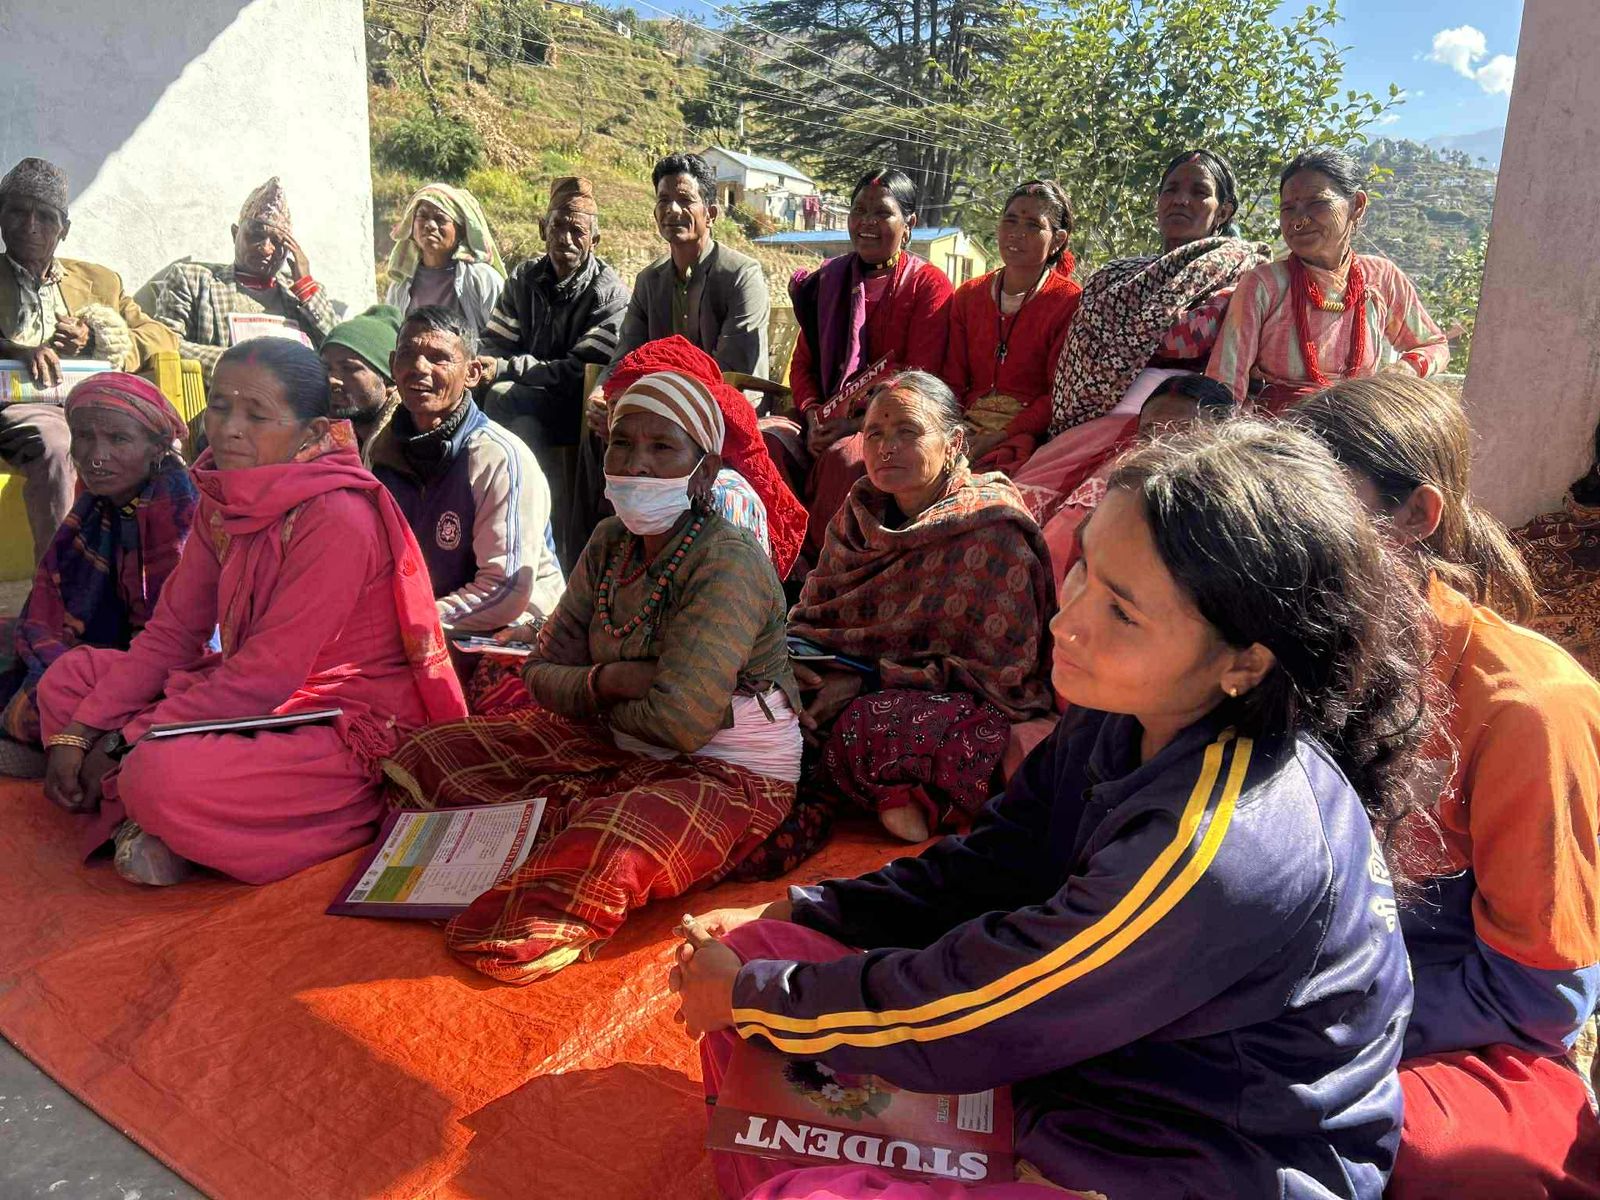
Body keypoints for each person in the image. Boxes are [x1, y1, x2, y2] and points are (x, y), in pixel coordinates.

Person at [672, 417, 1436, 1200]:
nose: (1066, 621)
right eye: (1083, 572)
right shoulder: (1125, 714)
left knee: (793, 1138)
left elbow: (984, 1010)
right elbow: (995, 864)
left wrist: (753, 996)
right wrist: (805, 908)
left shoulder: (1220, 844)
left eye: (1123, 612)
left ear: (1245, 661)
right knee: (774, 944)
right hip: (1083, 1081)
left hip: (1195, 1163)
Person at [382, 369, 800, 984]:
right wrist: (612, 682)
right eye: (624, 444)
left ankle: (530, 849)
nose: (637, 464)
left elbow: (683, 725)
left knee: (612, 841)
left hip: (728, 768)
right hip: (613, 736)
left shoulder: (726, 560)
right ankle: (528, 840)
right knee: (429, 754)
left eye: (663, 448)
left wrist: (591, 688)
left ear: (704, 471)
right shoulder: (609, 541)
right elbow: (540, 673)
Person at [1290, 375, 1600, 1199]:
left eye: (1314, 510)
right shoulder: (1289, 655)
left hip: (1459, 1029)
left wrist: (1314, 1024)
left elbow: (1541, 991)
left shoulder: (1528, 707)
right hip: (1299, 983)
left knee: (1430, 1160)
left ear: (1414, 517)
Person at [35, 339, 466, 886]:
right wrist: (82, 730)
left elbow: (267, 677)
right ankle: (174, 825)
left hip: (337, 721)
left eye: (256, 414)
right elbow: (172, 635)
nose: (228, 428)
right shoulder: (225, 493)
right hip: (251, 696)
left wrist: (126, 739)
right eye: (219, 406)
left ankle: (310, 818)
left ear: (311, 433)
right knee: (70, 680)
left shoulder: (337, 516)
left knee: (158, 776)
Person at [765, 371, 1055, 866]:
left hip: (949, 703)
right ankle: (859, 780)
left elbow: (1003, 675)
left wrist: (866, 682)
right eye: (874, 433)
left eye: (908, 432)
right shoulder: (858, 515)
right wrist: (802, 672)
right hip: (848, 678)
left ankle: (899, 791)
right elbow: (814, 618)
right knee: (761, 692)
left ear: (954, 442)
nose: (886, 447)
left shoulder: (992, 527)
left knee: (867, 722)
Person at [1011, 148, 1266, 532]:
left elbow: (1184, 341)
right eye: (1171, 189)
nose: (1181, 199)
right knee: (1012, 511)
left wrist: (1137, 335)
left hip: (1175, 431)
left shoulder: (1245, 274)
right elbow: (1081, 351)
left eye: (1199, 191)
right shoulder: (1115, 276)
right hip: (1089, 422)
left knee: (1078, 530)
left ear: (1224, 211)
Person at [0, 374, 196, 778]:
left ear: (158, 447)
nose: (95, 455)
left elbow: (179, 641)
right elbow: (54, 602)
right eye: (84, 437)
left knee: (48, 692)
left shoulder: (176, 508)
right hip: (107, 646)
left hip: (159, 663)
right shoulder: (97, 503)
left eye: (118, 440)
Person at [0, 156, 179, 558]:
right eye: (17, 212)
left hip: (98, 404)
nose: (31, 226)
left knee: (161, 445)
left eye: (45, 217)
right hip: (23, 407)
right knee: (58, 441)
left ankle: (166, 576)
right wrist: (14, 349)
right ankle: (65, 587)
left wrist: (99, 337)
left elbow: (161, 336)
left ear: (64, 230)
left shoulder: (99, 281)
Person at [771, 168, 954, 556]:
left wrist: (850, 425)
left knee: (848, 457)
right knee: (767, 440)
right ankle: (776, 561)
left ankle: (826, 576)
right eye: (859, 211)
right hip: (819, 418)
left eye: (882, 213)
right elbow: (802, 364)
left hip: (886, 423)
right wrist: (813, 412)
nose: (867, 223)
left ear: (910, 225)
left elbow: (920, 378)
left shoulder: (928, 286)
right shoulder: (828, 283)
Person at [1208, 147, 1449, 412]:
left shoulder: (1382, 278)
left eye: (1316, 204)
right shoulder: (1264, 285)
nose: (1298, 221)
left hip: (1356, 430)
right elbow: (1224, 385)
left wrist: (1405, 370)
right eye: (1288, 209)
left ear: (1357, 205)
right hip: (1278, 440)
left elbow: (1434, 345)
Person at [369, 306, 564, 634]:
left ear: (472, 373)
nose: (419, 368)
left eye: (439, 358)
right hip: (421, 620)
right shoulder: (381, 449)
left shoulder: (499, 458)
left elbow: (505, 590)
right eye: (408, 354)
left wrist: (401, 622)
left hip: (509, 629)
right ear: (391, 364)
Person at [479, 176, 629, 571]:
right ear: (542, 229)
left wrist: (508, 369)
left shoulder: (607, 292)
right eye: (558, 226)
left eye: (577, 230)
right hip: (527, 402)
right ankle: (498, 523)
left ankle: (527, 529)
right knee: (488, 402)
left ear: (595, 240)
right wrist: (487, 367)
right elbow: (496, 343)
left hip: (574, 406)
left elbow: (581, 371)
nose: (565, 237)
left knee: (500, 397)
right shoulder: (524, 279)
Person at [594, 152, 770, 392]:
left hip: (726, 407)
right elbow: (625, 357)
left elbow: (732, 369)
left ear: (711, 215)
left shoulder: (741, 275)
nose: (672, 209)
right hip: (661, 406)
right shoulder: (648, 281)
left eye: (685, 199)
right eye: (663, 200)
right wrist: (600, 396)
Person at [1038, 373, 1235, 585]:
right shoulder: (1114, 504)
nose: (1161, 448)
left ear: (1224, 440)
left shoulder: (1239, 524)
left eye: (1183, 434)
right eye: (1148, 435)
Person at [941, 180, 1081, 475]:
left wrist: (1001, 436)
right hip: (963, 426)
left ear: (1057, 240)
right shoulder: (968, 296)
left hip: (1025, 437)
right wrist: (952, 429)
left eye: (1033, 225)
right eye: (1011, 220)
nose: (1017, 232)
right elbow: (952, 380)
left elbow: (1057, 395)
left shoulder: (1069, 301)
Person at [154, 177, 337, 379]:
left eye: (278, 241)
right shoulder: (193, 280)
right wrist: (243, 365)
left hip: (300, 408)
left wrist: (306, 288)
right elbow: (164, 343)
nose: (266, 248)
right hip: (225, 404)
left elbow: (340, 354)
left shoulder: (301, 295)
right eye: (256, 235)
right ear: (235, 234)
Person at [384, 183, 506, 339]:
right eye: (422, 216)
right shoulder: (401, 284)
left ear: (461, 229)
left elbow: (500, 340)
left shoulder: (482, 279)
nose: (430, 225)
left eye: (440, 219)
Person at [320, 303, 404, 456]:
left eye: (349, 368)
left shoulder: (406, 447)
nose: (332, 380)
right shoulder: (324, 440)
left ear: (388, 378)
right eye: (326, 368)